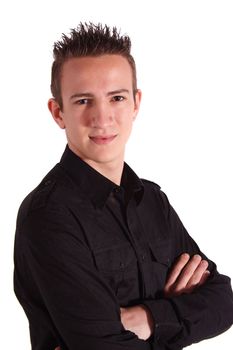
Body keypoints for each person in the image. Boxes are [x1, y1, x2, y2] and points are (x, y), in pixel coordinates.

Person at [14, 22, 233, 350]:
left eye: (116, 97)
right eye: (83, 101)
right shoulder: (48, 217)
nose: (102, 118)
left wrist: (148, 317)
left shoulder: (153, 201)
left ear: (135, 103)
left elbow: (223, 302)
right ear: (58, 112)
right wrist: (178, 317)